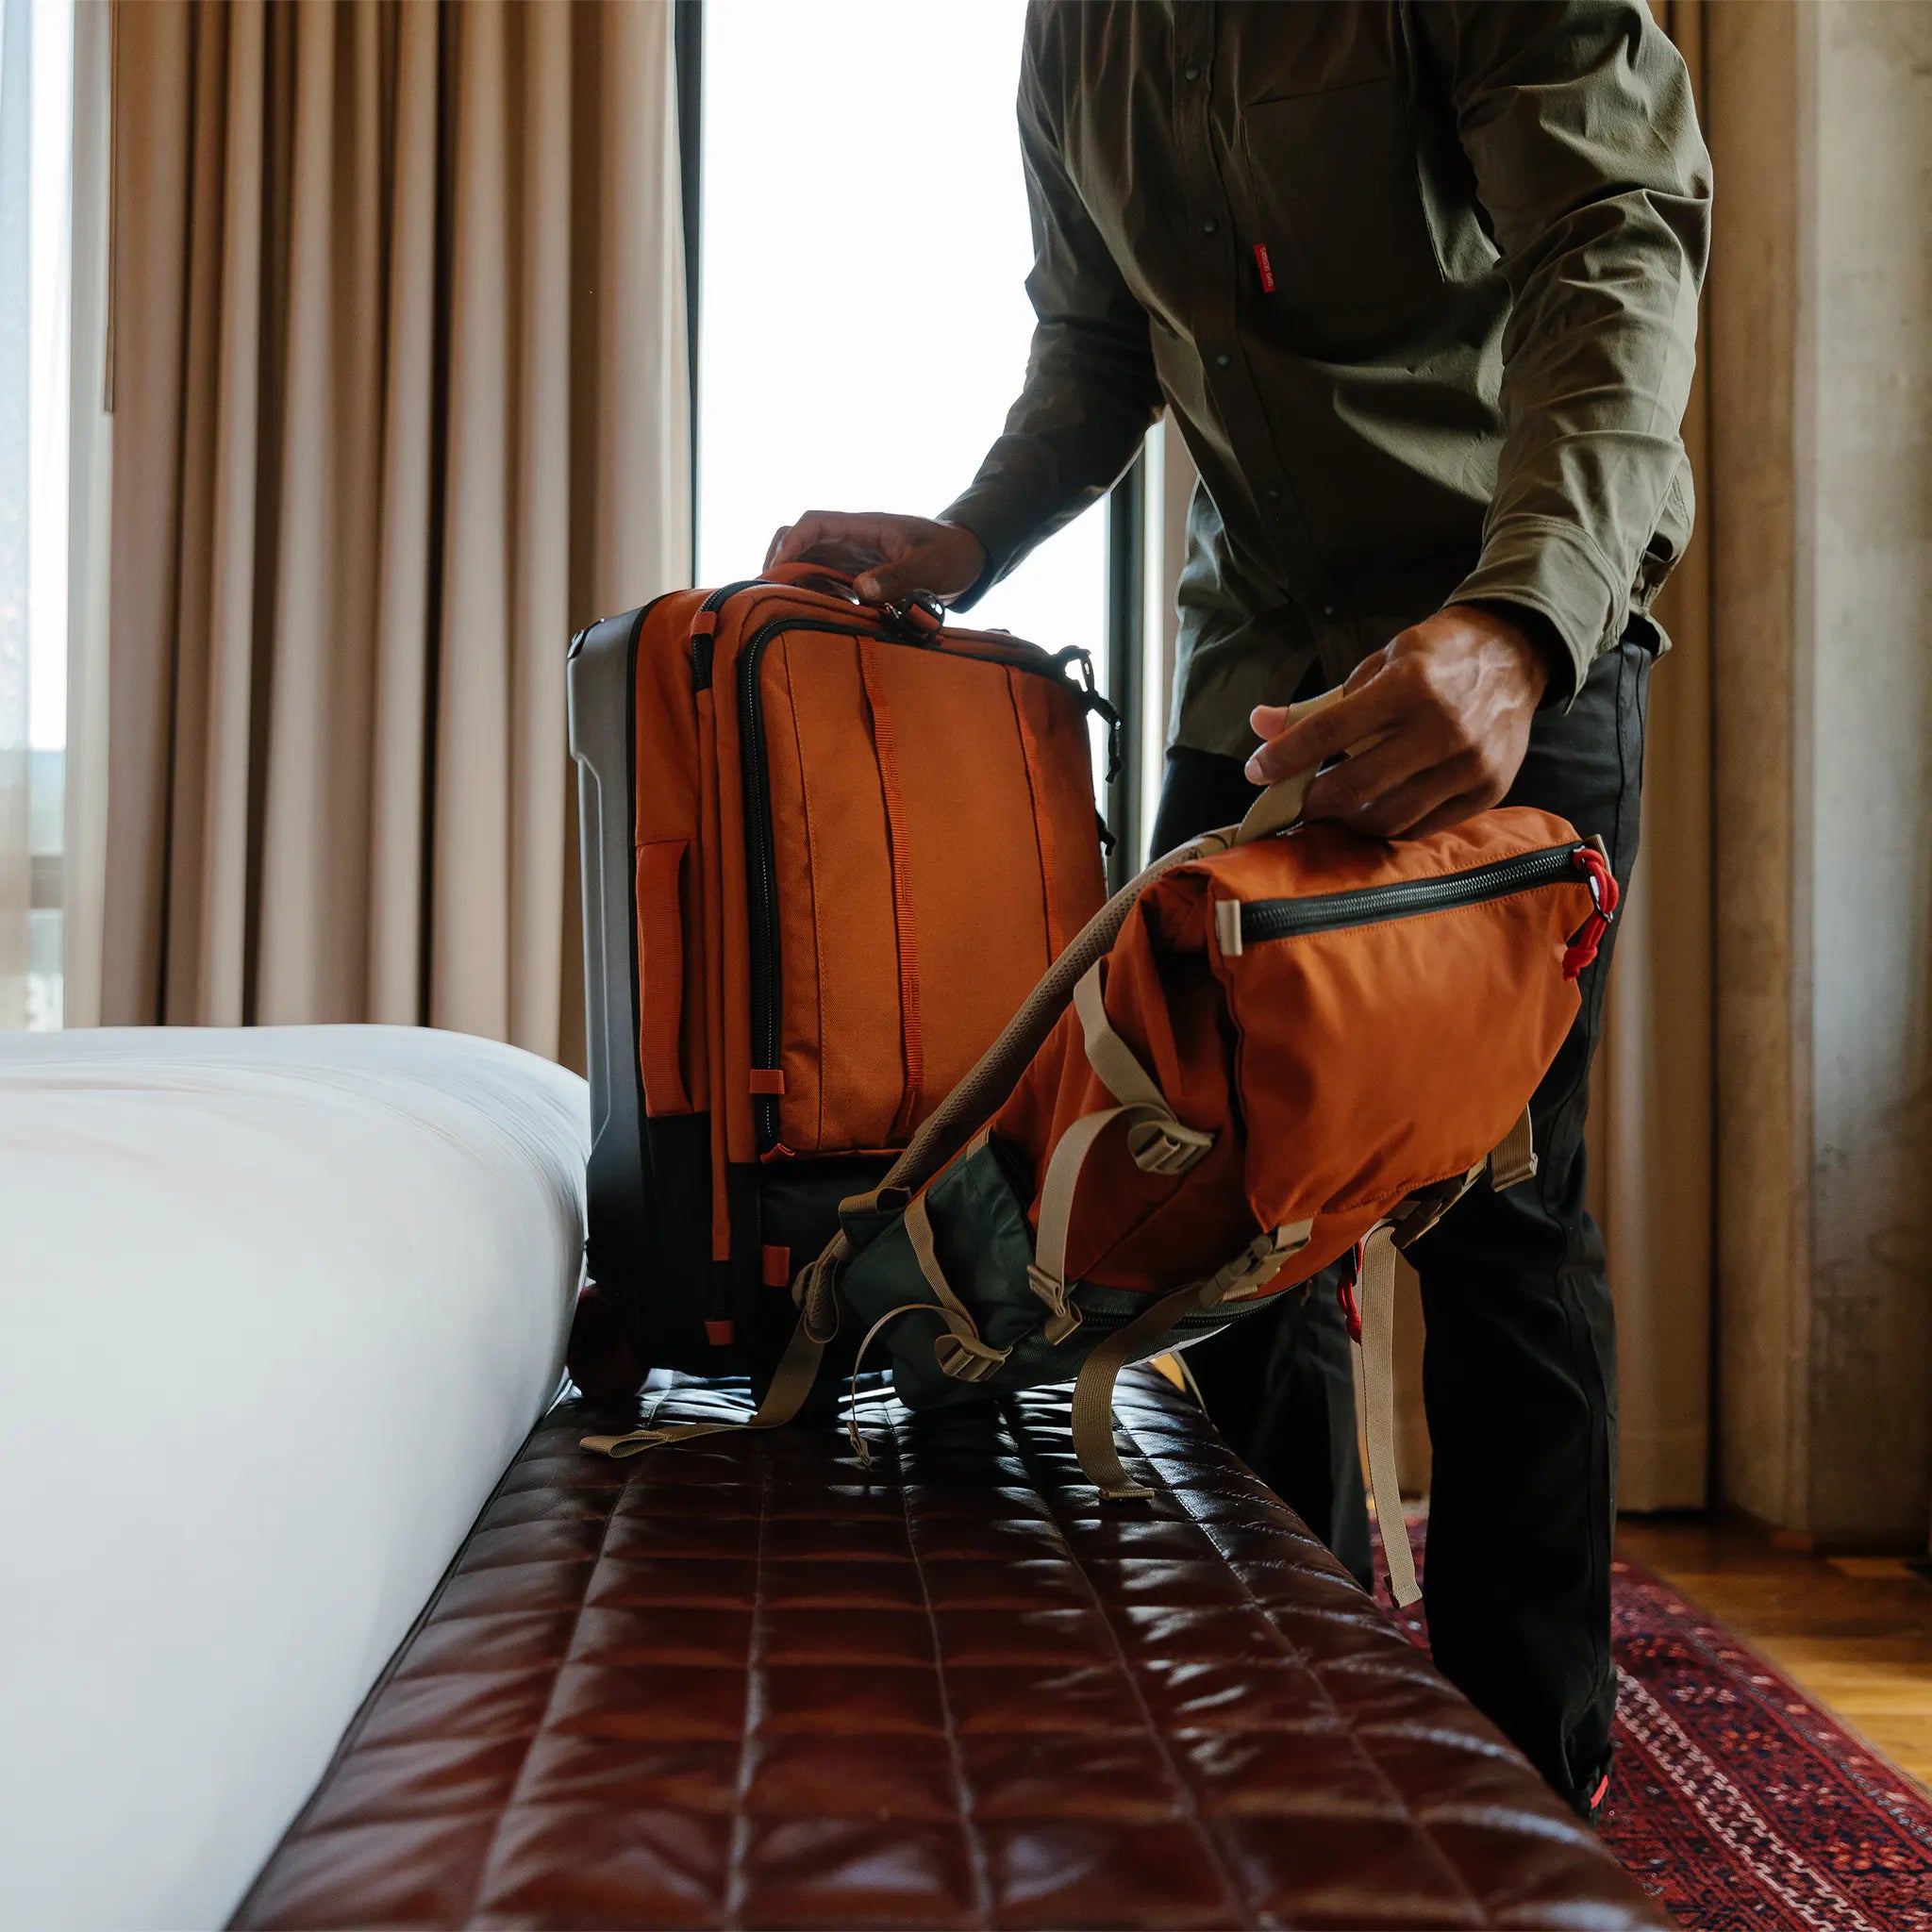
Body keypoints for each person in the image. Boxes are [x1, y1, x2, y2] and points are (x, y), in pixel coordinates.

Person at [767, 2, 1710, 1821]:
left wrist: (1520, 623)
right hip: (1258, 668)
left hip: (1508, 638)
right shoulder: (1077, 30)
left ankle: (1526, 1798)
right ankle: (1310, 1719)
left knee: (1500, 1221)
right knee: (1218, 1208)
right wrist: (970, 537)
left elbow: (1616, 246)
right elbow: (1096, 342)